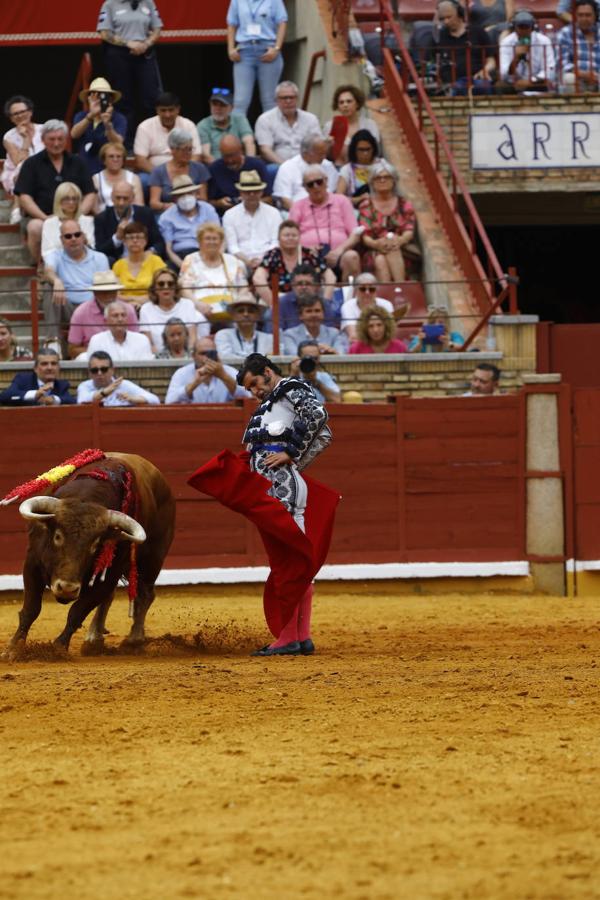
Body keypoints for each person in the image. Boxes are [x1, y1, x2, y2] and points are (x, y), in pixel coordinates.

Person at [188, 352, 337, 656]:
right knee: (290, 564)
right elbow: (318, 436)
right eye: (249, 388)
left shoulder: (290, 389)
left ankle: (288, 639)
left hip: (282, 489)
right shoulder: (268, 406)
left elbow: (319, 418)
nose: (254, 391)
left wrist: (293, 455)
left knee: (288, 565)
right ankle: (300, 637)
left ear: (268, 372)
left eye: (255, 383)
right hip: (273, 487)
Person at [14, 120, 96, 264]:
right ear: (43, 140)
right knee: (35, 227)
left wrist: (76, 215)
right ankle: (41, 268)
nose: (56, 143)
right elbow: (24, 196)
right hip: (41, 216)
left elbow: (90, 193)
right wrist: (47, 219)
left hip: (74, 216)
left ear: (66, 140)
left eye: (60, 139)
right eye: (52, 139)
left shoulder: (78, 162)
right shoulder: (31, 164)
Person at [97, 0, 163, 146]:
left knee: (151, 97)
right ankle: (125, 143)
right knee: (123, 100)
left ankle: (152, 142)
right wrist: (128, 43)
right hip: (119, 54)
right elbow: (104, 33)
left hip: (144, 53)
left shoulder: (148, 3)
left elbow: (157, 28)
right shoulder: (110, 4)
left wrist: (146, 44)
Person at [288, 165, 361, 282]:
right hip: (309, 256)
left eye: (319, 182)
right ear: (305, 188)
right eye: (310, 184)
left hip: (339, 254)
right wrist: (306, 250)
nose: (316, 187)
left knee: (352, 257)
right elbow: (289, 236)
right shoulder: (298, 206)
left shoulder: (342, 201)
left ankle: (347, 297)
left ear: (326, 181)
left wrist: (339, 250)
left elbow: (355, 234)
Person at [43, 220, 110, 343]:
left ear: (83, 236)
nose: (73, 239)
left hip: (92, 308)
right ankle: (53, 341)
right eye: (68, 236)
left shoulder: (100, 258)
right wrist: (57, 280)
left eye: (77, 234)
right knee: (49, 286)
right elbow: (48, 270)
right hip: (67, 307)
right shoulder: (55, 255)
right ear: (62, 240)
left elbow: (105, 289)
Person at [358, 161, 416, 284]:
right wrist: (376, 244)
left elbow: (409, 231)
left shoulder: (404, 203)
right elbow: (365, 236)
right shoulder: (366, 205)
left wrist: (398, 241)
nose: (382, 180)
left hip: (401, 250)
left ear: (394, 180)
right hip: (374, 249)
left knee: (391, 247)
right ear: (372, 182)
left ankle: (395, 289)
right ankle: (398, 290)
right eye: (378, 178)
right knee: (379, 259)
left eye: (386, 177)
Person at [226, 0, 287, 117]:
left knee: (269, 101)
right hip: (244, 51)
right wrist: (230, 49)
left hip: (267, 49)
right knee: (240, 101)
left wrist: (277, 48)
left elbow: (282, 22)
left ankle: (270, 134)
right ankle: (238, 134)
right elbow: (231, 24)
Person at [252, 221, 334, 307]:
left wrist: (325, 302)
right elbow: (258, 278)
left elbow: (330, 277)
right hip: (279, 298)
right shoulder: (272, 255)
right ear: (279, 238)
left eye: (294, 235)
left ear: (299, 238)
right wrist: (274, 304)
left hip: (309, 299)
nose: (290, 238)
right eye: (286, 235)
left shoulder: (309, 254)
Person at [179, 222, 248, 322]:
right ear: (200, 242)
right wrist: (197, 304)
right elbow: (185, 290)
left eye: (215, 238)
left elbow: (243, 288)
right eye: (207, 238)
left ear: (220, 242)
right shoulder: (190, 260)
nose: (211, 242)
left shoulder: (232, 261)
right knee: (197, 318)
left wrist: (237, 304)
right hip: (200, 308)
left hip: (230, 307)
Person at [67, 270, 139, 359]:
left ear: (117, 291)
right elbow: (72, 349)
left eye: (112, 291)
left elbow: (136, 341)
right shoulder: (81, 313)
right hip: (94, 362)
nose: (108, 295)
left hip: (126, 357)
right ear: (95, 293)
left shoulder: (128, 310)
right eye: (103, 292)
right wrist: (101, 352)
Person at [133, 92, 202, 182]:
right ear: (157, 110)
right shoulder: (145, 127)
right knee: (142, 181)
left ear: (178, 109)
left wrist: (182, 174)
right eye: (163, 110)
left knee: (201, 176)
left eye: (171, 110)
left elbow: (196, 156)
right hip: (154, 173)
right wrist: (164, 175)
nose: (167, 115)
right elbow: (140, 160)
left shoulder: (188, 125)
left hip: (184, 173)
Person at [254, 81, 322, 173]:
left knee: (326, 167)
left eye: (291, 97)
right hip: (278, 165)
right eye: (284, 98)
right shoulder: (265, 119)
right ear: (276, 100)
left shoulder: (311, 119)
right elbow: (265, 150)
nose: (288, 101)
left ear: (297, 99)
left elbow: (317, 146)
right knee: (271, 170)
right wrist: (286, 166)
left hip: (307, 164)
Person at [222, 169, 281, 273]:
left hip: (269, 258)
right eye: (247, 192)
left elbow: (275, 242)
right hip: (240, 260)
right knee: (236, 267)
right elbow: (232, 246)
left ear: (262, 192)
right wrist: (247, 261)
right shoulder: (230, 215)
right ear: (241, 193)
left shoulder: (273, 213)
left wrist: (263, 261)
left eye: (256, 191)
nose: (252, 194)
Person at [158, 175, 220, 270]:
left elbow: (220, 238)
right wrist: (184, 267)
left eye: (189, 193)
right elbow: (168, 249)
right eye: (181, 195)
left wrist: (215, 259)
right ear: (174, 198)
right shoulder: (166, 217)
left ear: (196, 194)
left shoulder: (208, 210)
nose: (186, 198)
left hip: (208, 252)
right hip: (180, 257)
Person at [435, 0, 496, 95]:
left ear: (459, 14)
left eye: (449, 17)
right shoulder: (440, 36)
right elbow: (436, 63)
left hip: (477, 79)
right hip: (453, 83)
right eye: (442, 19)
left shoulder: (478, 32)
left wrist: (485, 70)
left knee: (483, 87)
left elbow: (491, 61)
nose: (446, 22)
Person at [139, 267, 206, 353]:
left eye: (170, 284)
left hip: (185, 356)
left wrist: (187, 358)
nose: (166, 287)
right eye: (161, 284)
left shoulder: (187, 305)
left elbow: (192, 338)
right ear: (154, 288)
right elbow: (150, 345)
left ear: (176, 287)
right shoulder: (146, 309)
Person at [70, 77, 127, 175]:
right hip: (85, 166)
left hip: (108, 167)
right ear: (89, 98)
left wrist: (107, 124)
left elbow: (118, 143)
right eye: (96, 95)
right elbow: (74, 134)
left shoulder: (119, 118)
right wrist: (91, 115)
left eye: (104, 96)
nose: (100, 99)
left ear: (111, 99)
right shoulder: (81, 116)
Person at [94, 179, 160, 262]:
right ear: (111, 197)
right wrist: (117, 238)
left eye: (125, 198)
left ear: (132, 197)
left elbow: (159, 243)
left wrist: (149, 252)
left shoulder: (145, 214)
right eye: (118, 198)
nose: (121, 203)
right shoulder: (102, 218)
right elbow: (99, 251)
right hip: (117, 263)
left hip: (144, 261)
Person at [165, 337, 246, 403]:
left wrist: (223, 376)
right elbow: (169, 401)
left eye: (211, 353)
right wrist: (194, 384)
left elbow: (248, 397)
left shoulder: (228, 371)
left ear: (217, 354)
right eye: (203, 354)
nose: (207, 358)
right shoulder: (182, 373)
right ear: (193, 356)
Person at [1, 95, 43, 224]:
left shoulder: (44, 129)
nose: (19, 116)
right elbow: (17, 161)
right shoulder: (8, 137)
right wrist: (25, 139)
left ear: (30, 112)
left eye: (22, 112)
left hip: (44, 170)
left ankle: (18, 207)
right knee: (24, 166)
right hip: (15, 174)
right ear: (11, 118)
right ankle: (19, 207)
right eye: (15, 114)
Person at [149, 128, 210, 213]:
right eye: (184, 149)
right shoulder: (159, 171)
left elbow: (203, 199)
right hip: (168, 212)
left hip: (195, 211)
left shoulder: (199, 169)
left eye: (190, 149)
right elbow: (154, 203)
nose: (188, 153)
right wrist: (168, 206)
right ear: (173, 149)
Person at [272, 135, 339, 210]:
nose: (323, 157)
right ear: (305, 153)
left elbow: (333, 193)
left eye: (325, 153)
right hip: (296, 213)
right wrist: (303, 215)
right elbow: (284, 199)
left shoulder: (328, 166)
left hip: (326, 210)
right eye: (320, 154)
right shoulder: (287, 167)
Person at [208, 135, 271, 213]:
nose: (230, 160)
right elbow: (208, 202)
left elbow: (269, 198)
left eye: (232, 155)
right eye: (225, 156)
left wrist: (251, 201)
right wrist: (219, 203)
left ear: (241, 151)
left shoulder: (257, 165)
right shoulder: (214, 168)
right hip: (226, 214)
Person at [499, 9, 555, 93]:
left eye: (527, 27)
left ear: (533, 27)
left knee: (545, 83)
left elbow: (550, 70)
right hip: (514, 83)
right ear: (514, 27)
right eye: (521, 27)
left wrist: (530, 81)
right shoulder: (506, 42)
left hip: (536, 83)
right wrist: (516, 58)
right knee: (501, 86)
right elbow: (503, 73)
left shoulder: (544, 41)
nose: (524, 31)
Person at [324, 84, 381, 167]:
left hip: (364, 169)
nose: (345, 105)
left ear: (357, 104)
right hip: (337, 169)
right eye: (341, 102)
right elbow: (325, 155)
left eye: (349, 101)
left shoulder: (369, 125)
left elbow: (376, 151)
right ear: (338, 106)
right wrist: (328, 145)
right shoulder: (329, 126)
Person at [111, 221, 165, 308]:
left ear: (146, 241)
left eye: (139, 237)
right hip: (124, 308)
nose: (135, 240)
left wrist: (138, 301)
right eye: (130, 237)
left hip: (152, 306)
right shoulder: (118, 265)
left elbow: (162, 290)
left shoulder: (156, 262)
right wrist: (131, 303)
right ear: (124, 241)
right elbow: (115, 294)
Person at [77, 350, 160, 406]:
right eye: (94, 370)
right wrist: (105, 392)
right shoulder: (84, 386)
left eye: (104, 369)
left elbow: (155, 400)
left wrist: (133, 398)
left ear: (112, 370)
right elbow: (82, 401)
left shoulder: (123, 385)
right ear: (89, 372)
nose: (99, 373)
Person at [196, 88, 255, 164]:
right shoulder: (203, 125)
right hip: (215, 166)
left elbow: (249, 142)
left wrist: (250, 163)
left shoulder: (240, 120)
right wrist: (222, 168)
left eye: (222, 105)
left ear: (231, 108)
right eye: (214, 104)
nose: (217, 109)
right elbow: (206, 154)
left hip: (239, 163)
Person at [0, 348, 75, 406]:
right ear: (35, 368)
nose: (49, 368)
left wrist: (53, 399)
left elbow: (72, 401)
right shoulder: (23, 380)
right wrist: (34, 394)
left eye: (54, 363)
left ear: (59, 368)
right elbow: (5, 396)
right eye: (44, 364)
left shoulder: (62, 385)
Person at [275, 264, 340, 331]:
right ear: (292, 286)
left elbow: (331, 333)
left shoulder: (324, 304)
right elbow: (273, 333)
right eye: (299, 284)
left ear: (316, 286)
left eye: (308, 283)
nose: (304, 287)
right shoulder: (280, 304)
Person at [86, 299, 154, 361]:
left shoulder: (142, 340)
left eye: (123, 315)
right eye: (115, 316)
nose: (120, 319)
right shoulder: (97, 341)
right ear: (105, 321)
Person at [40, 182, 96, 257]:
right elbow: (46, 252)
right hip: (58, 264)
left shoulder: (87, 221)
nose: (71, 202)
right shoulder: (49, 223)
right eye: (67, 199)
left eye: (74, 199)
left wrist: (85, 243)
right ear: (59, 201)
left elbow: (92, 249)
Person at [214, 292, 275, 358]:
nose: (246, 314)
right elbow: (225, 357)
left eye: (251, 311)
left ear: (258, 315)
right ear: (233, 315)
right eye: (240, 311)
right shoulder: (223, 335)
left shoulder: (269, 339)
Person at [282, 296, 349, 355]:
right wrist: (320, 351)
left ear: (323, 314)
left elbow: (341, 354)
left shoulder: (334, 333)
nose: (313, 315)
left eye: (317, 311)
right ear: (300, 315)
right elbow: (293, 355)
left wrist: (333, 352)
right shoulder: (290, 335)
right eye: (309, 311)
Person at [558, 1, 600, 92]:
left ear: (595, 16)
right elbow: (562, 63)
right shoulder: (565, 33)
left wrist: (596, 76)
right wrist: (584, 74)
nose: (584, 19)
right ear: (575, 16)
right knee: (569, 78)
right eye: (580, 15)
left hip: (598, 78)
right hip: (577, 78)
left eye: (588, 15)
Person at [340, 272, 395, 341]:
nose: (367, 293)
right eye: (363, 289)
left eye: (371, 289)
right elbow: (353, 336)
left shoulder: (386, 305)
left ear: (376, 290)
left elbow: (390, 332)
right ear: (356, 290)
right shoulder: (347, 306)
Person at [92, 141, 144, 213]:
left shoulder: (134, 178)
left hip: (129, 219)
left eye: (119, 156)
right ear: (104, 160)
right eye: (111, 156)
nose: (115, 159)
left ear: (123, 160)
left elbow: (139, 205)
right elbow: (95, 207)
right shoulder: (96, 179)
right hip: (104, 218)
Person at [337, 129, 382, 208]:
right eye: (361, 150)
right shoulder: (347, 170)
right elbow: (338, 198)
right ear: (354, 150)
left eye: (368, 149)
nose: (365, 153)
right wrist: (359, 199)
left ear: (373, 149)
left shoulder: (382, 166)